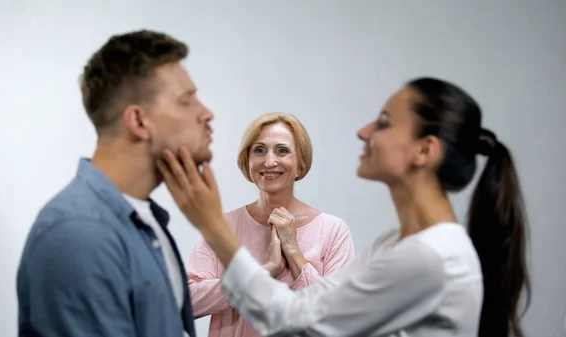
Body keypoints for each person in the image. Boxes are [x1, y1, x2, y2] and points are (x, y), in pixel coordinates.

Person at [157, 77, 532, 337]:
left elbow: (295, 321)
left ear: (424, 151)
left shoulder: (430, 258)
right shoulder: (394, 246)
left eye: (383, 123)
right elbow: (306, 307)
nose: (363, 131)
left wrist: (211, 225)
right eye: (260, 149)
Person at [16, 29, 214, 337]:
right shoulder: (79, 233)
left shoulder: (146, 222)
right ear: (138, 121)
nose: (206, 113)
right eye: (186, 101)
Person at [186, 112, 356, 336]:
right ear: (247, 161)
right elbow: (185, 303)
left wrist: (294, 252)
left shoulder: (333, 231)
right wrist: (261, 273)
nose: (269, 161)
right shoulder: (221, 227)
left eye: (282, 150)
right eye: (259, 150)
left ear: (301, 164)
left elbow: (340, 318)